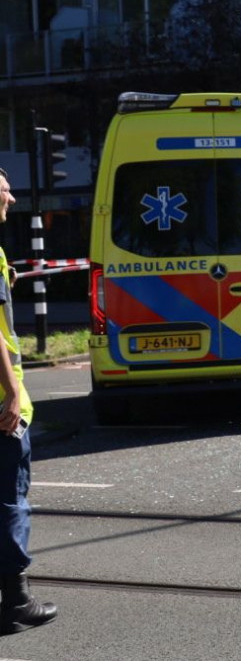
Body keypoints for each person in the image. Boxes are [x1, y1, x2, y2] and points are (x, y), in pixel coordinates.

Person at [0, 170, 56, 633]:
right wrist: (13, 392)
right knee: (9, 500)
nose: (11, 197)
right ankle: (16, 602)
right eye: (4, 191)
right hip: (1, 404)